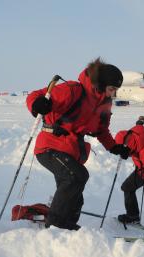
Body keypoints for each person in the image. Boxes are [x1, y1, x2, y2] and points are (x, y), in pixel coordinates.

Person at [26, 58, 129, 230]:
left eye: (115, 90)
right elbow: (35, 96)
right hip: (50, 146)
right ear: (101, 84)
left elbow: (101, 130)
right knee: (76, 176)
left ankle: (69, 227)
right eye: (111, 89)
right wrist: (37, 105)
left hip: (70, 151)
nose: (113, 94)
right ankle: (55, 226)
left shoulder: (104, 104)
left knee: (74, 192)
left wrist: (114, 147)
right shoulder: (73, 90)